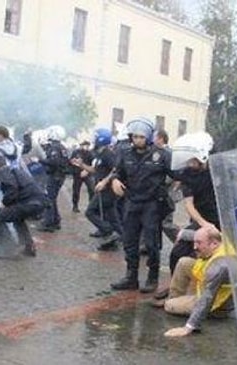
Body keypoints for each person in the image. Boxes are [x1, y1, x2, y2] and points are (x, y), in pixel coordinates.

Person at [106, 117, 173, 293]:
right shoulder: (125, 153)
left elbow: (176, 173)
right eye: (135, 136)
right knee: (129, 240)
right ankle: (131, 276)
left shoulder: (161, 155)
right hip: (131, 202)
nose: (138, 140)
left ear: (148, 137)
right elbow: (117, 172)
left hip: (151, 204)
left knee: (151, 243)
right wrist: (114, 180)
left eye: (141, 137)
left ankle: (152, 277)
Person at [154, 131, 219, 303]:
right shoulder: (188, 175)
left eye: (192, 159)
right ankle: (176, 286)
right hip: (201, 221)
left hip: (222, 220)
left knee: (215, 256)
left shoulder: (218, 169)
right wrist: (204, 224)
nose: (189, 162)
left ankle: (209, 292)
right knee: (178, 251)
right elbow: (189, 205)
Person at [163, 226, 236, 337]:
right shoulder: (220, 240)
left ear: (214, 244)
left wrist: (189, 327)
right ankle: (176, 299)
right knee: (184, 262)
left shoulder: (219, 267)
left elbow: (207, 297)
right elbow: (200, 235)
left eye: (199, 243)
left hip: (220, 304)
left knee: (169, 305)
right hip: (210, 283)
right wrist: (183, 233)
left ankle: (175, 304)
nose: (195, 247)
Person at [73, 128, 123, 251]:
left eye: (95, 136)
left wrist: (104, 182)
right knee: (112, 217)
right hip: (102, 189)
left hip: (108, 190)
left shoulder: (108, 154)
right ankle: (118, 239)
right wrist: (82, 165)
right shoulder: (99, 153)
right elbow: (95, 170)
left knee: (90, 212)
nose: (93, 139)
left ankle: (109, 232)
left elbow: (115, 170)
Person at [0, 154, 45, 257]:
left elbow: (12, 189)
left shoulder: (3, 172)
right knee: (17, 218)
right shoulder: (11, 170)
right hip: (38, 202)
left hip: (29, 202)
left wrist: (4, 203)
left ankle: (9, 249)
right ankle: (28, 247)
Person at [38, 125, 68, 232]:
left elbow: (54, 162)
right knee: (52, 199)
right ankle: (55, 220)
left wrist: (40, 160)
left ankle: (49, 223)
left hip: (55, 176)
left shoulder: (55, 147)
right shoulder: (62, 147)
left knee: (49, 199)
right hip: (59, 176)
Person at [70, 141, 94, 213]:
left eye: (87, 146)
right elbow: (71, 162)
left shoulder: (90, 153)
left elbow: (93, 164)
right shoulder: (75, 152)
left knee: (91, 189)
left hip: (87, 173)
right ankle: (75, 205)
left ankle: (91, 206)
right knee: (76, 190)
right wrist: (74, 162)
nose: (86, 147)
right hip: (77, 174)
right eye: (84, 145)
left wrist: (87, 171)